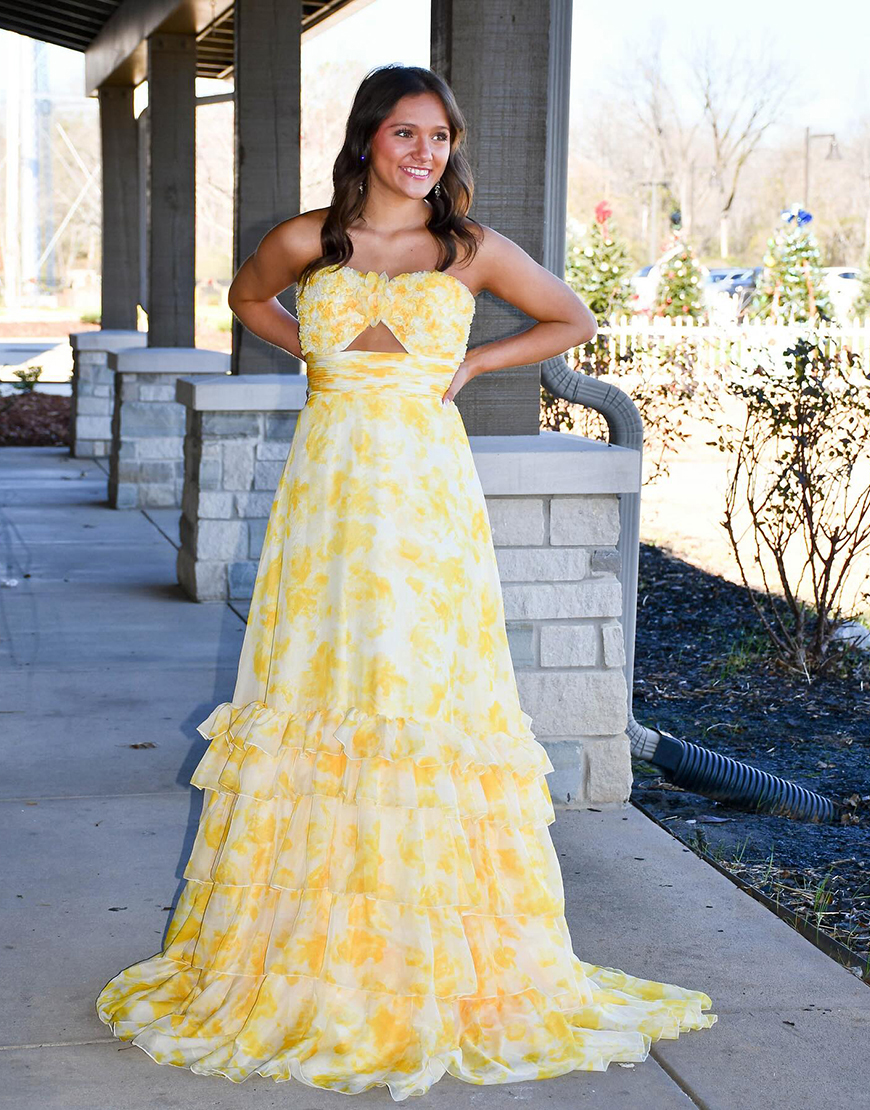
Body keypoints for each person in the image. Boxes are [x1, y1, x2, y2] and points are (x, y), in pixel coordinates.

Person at [96, 63, 716, 1100]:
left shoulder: (466, 250)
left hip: (426, 510)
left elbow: (571, 320)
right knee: (324, 692)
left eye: (439, 137)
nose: (425, 154)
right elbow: (248, 297)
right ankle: (307, 946)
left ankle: (433, 946)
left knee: (421, 696)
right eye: (406, 135)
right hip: (328, 508)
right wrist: (312, 352)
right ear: (368, 140)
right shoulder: (309, 242)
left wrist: (471, 367)